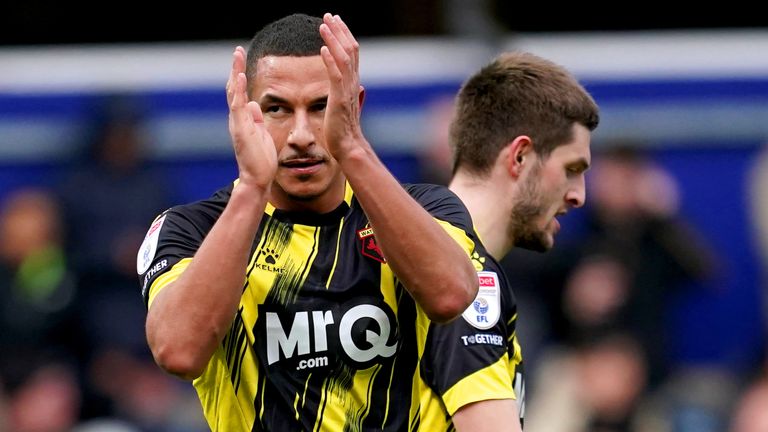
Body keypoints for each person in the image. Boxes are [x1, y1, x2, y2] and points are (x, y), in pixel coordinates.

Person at [137, 12, 478, 431]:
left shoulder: (426, 208)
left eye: (322, 106)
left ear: (354, 105)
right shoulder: (192, 230)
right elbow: (178, 352)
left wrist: (351, 147)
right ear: (245, 114)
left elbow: (451, 296)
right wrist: (251, 188)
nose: (301, 134)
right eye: (277, 109)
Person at [414, 51, 599, 431]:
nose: (579, 195)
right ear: (520, 156)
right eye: (571, 170)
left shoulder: (425, 248)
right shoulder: (468, 281)